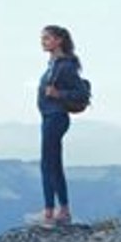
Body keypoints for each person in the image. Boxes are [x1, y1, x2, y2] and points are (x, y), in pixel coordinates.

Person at [30, 24, 88, 229]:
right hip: (49, 117)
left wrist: (58, 95)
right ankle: (61, 210)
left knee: (48, 164)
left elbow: (81, 94)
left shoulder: (65, 65)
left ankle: (50, 212)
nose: (43, 41)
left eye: (47, 38)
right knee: (53, 164)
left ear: (58, 40)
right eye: (42, 38)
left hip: (56, 117)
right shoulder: (54, 64)